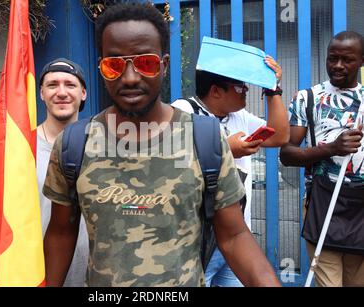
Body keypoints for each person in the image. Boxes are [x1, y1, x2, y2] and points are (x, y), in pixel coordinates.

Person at [43, 3, 280, 287]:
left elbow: (234, 236)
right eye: (114, 64)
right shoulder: (74, 145)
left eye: (145, 63)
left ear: (164, 65)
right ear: (101, 68)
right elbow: (60, 233)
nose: (130, 78)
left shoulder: (203, 139)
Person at [173, 56, 289, 286]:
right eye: (239, 86)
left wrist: (273, 91)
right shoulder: (182, 111)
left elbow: (280, 136)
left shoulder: (239, 117)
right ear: (216, 91)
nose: (246, 90)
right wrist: (226, 149)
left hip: (235, 236)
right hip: (195, 241)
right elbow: (171, 160)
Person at [280, 31, 364, 287]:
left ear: (361, 61)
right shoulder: (308, 99)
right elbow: (287, 154)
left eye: (346, 60)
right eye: (332, 59)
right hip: (323, 204)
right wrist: (331, 149)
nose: (337, 66)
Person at [36, 58, 89, 287]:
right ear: (41, 93)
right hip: (36, 273)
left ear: (83, 93)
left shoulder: (103, 147)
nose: (61, 92)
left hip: (91, 275)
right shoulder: (19, 146)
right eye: (52, 85)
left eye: (70, 84)